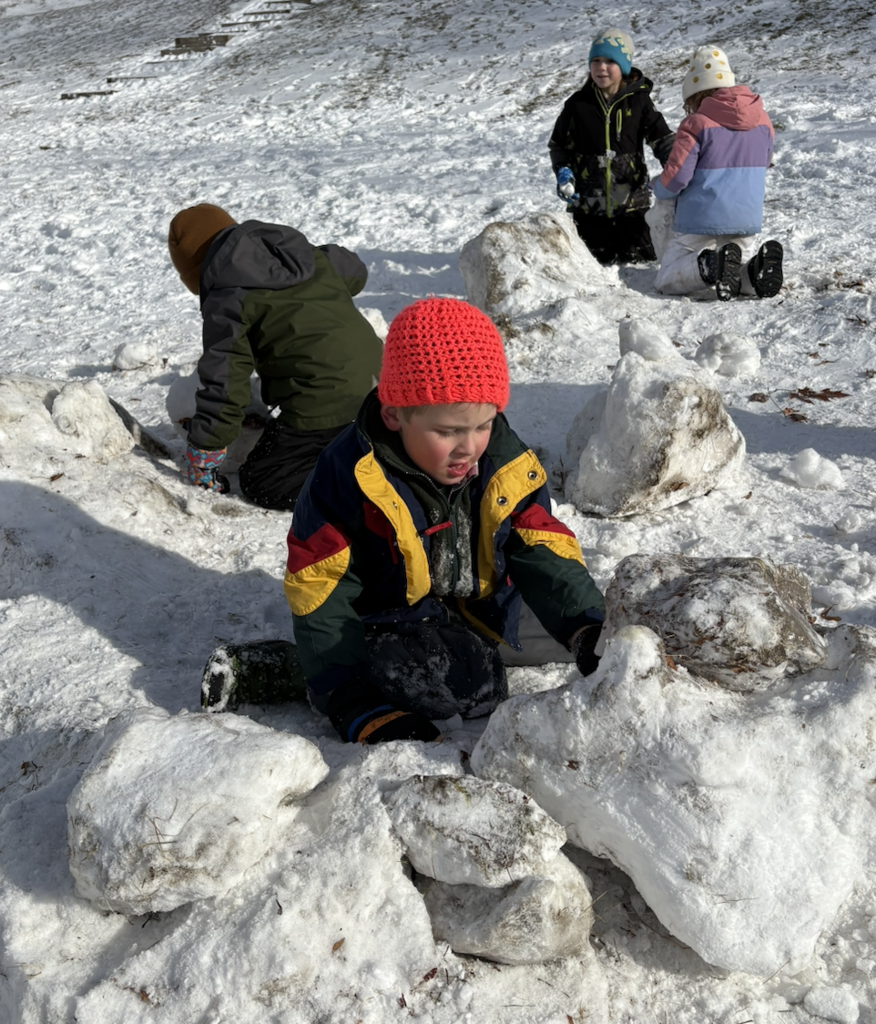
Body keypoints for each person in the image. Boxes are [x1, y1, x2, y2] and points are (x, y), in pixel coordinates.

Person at [202, 298, 606, 744]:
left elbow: (540, 545)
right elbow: (322, 585)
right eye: (448, 431)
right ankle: (289, 669)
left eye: (483, 424)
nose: (468, 447)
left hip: (480, 603)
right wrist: (349, 698)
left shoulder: (502, 461)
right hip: (388, 613)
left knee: (590, 626)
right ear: (394, 414)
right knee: (462, 683)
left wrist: (584, 627)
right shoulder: (349, 476)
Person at [167, 203, 383, 510]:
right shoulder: (299, 254)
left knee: (263, 482)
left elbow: (226, 383)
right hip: (382, 383)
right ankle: (372, 447)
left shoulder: (227, 295)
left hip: (329, 401)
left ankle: (363, 483)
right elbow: (355, 272)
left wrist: (205, 452)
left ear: (197, 270)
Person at [652, 46, 784, 301]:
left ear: (694, 94)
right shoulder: (763, 121)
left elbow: (677, 177)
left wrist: (657, 186)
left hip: (700, 220)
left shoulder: (696, 124)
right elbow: (766, 162)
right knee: (735, 271)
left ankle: (709, 265)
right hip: (745, 218)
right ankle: (754, 274)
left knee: (666, 278)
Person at [548, 27, 675, 265]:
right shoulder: (577, 105)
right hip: (587, 210)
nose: (601, 67)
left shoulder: (639, 101)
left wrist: (673, 165)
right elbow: (559, 145)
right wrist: (563, 171)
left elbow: (663, 139)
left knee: (640, 264)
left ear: (624, 65)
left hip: (632, 208)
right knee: (589, 268)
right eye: (596, 60)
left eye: (610, 61)